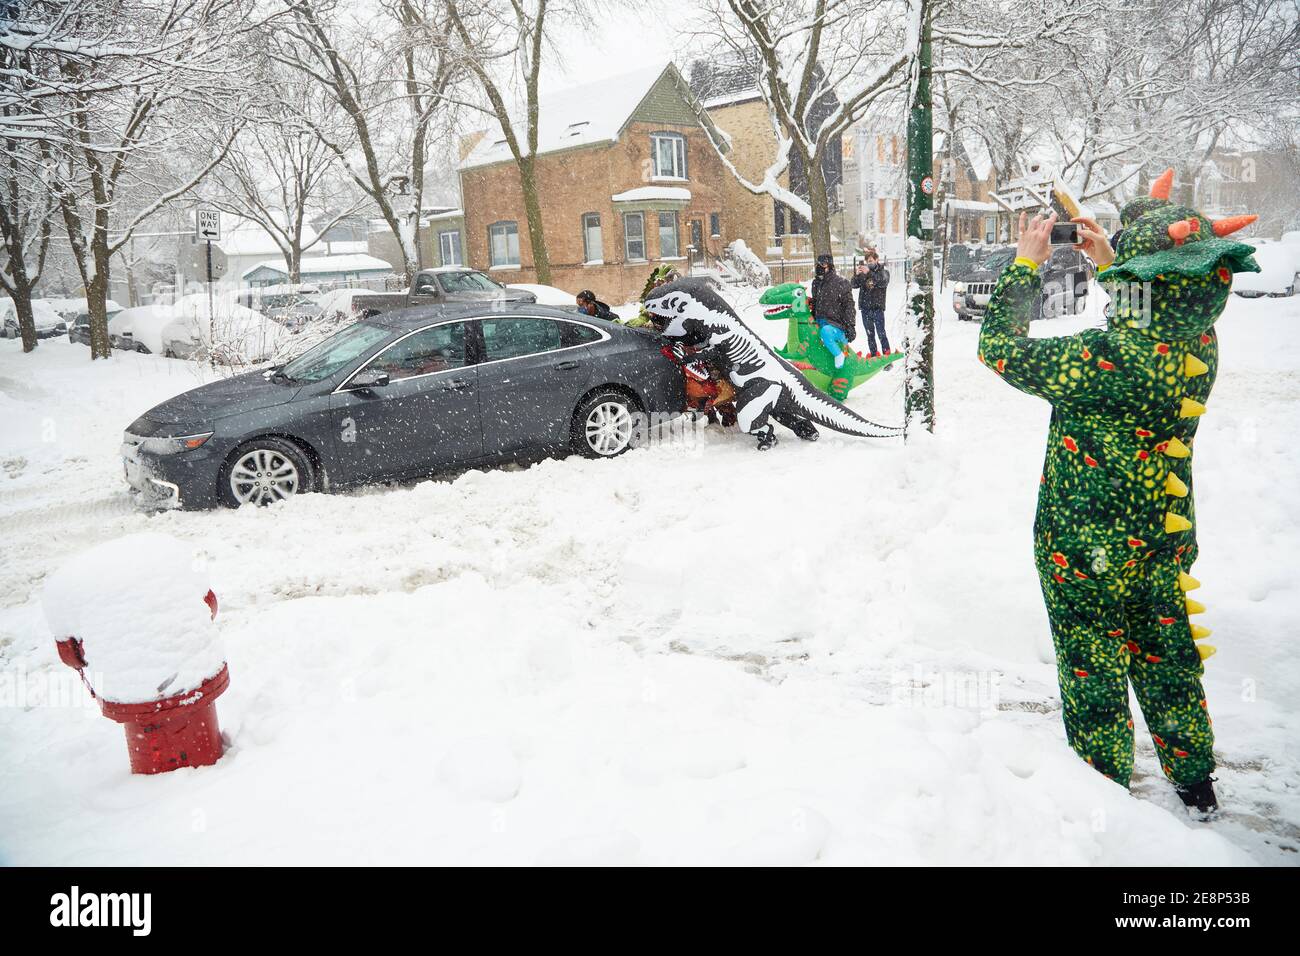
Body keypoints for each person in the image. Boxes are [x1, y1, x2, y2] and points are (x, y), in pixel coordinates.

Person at [978, 168, 1261, 814]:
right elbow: (1157, 310)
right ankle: (1196, 786)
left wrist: (1027, 265)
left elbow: (998, 347)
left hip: (1085, 549)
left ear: (1144, 279)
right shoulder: (1200, 343)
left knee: (1094, 674)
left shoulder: (1098, 360)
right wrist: (1113, 262)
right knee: (1167, 662)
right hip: (1161, 544)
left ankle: (1103, 804)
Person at [809, 254, 855, 368]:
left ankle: (839, 356)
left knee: (826, 332)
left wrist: (850, 326)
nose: (819, 266)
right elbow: (815, 303)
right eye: (817, 264)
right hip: (819, 322)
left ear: (830, 266)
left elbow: (849, 306)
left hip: (835, 325)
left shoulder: (841, 283)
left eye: (823, 264)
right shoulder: (816, 283)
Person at [851, 251, 891, 356]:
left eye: (871, 261)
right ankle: (874, 355)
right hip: (865, 309)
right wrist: (857, 275)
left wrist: (869, 272)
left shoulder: (883, 271)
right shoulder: (864, 273)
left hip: (877, 308)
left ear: (877, 260)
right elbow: (853, 285)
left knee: (881, 333)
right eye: (867, 261)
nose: (869, 263)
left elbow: (882, 281)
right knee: (870, 334)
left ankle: (887, 354)